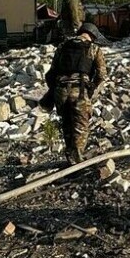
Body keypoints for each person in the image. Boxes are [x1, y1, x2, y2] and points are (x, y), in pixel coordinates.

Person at [44, 22, 108, 164]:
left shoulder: (62, 46)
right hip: (79, 92)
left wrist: (53, 91)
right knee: (80, 128)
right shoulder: (94, 48)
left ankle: (70, 159)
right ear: (93, 36)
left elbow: (51, 73)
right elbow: (102, 75)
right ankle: (77, 163)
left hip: (60, 92)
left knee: (67, 125)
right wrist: (92, 89)